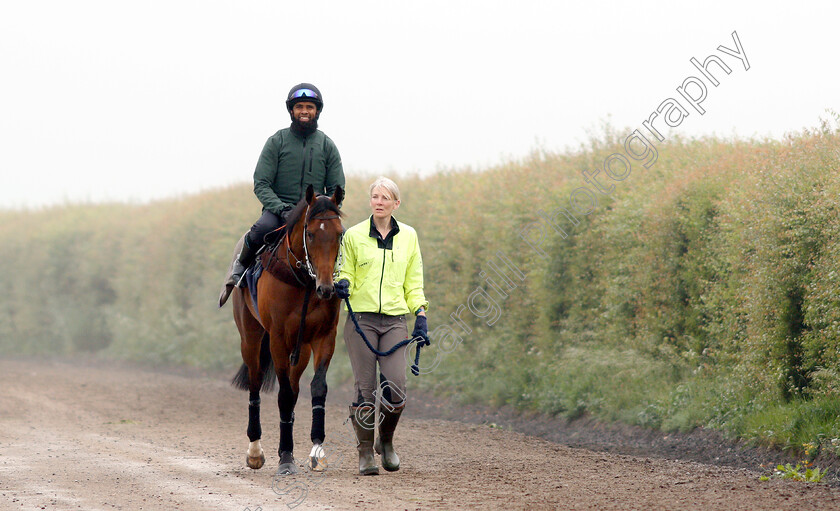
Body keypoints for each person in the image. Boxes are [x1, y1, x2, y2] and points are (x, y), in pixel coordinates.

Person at [334, 177, 429, 475]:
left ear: (396, 203)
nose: (378, 201)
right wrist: (343, 283)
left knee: (396, 387)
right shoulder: (353, 236)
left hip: (395, 322)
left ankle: (384, 442)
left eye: (385, 197)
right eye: (375, 196)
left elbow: (413, 280)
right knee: (365, 389)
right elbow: (342, 269)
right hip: (361, 321)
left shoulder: (409, 237)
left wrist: (421, 314)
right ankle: (365, 454)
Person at [224, 82, 345, 292]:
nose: (304, 111)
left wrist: (322, 208)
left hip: (314, 215)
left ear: (317, 111)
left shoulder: (327, 145)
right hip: (280, 213)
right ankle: (240, 268)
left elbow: (336, 188)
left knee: (343, 235)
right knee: (260, 229)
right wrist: (281, 208)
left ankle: (345, 281)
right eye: (299, 107)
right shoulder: (276, 142)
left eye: (309, 107)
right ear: (291, 110)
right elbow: (261, 183)